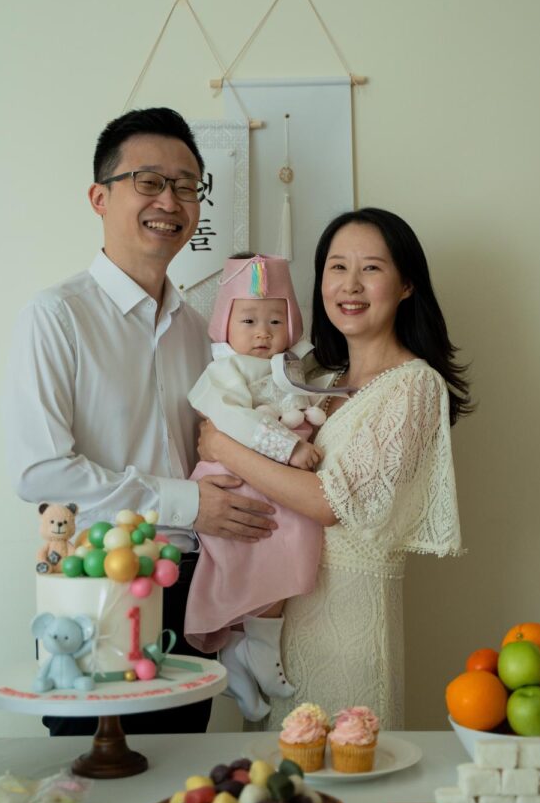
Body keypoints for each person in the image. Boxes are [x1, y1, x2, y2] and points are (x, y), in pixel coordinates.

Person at [3, 107, 276, 735]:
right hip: (96, 585)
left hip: (193, 587)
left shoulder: (199, 331)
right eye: (149, 181)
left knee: (182, 770)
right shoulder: (56, 316)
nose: (170, 201)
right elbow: (40, 471)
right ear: (100, 198)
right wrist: (187, 503)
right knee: (93, 770)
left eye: (186, 186)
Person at [197, 208, 471, 730]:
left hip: (347, 625)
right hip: (275, 624)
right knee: (276, 773)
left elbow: (329, 503)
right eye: (337, 267)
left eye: (371, 268)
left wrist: (222, 446)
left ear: (407, 284)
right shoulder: (314, 378)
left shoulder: (415, 385)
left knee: (349, 762)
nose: (350, 285)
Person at [184, 253, 327, 721]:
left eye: (275, 320)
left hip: (268, 479)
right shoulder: (226, 371)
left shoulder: (292, 367)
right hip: (236, 479)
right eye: (248, 320)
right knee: (269, 548)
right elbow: (232, 421)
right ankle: (251, 649)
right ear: (225, 324)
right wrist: (289, 447)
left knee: (290, 545)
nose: (263, 332)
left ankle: (245, 655)